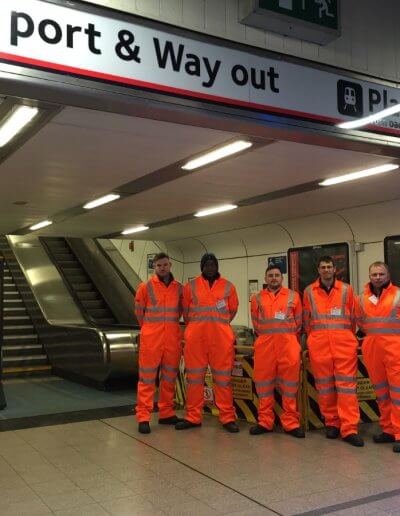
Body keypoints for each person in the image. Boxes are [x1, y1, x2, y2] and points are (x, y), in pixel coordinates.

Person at [175, 253, 239, 433]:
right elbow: (186, 313)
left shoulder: (228, 286)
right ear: (202, 267)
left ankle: (227, 417)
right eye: (207, 264)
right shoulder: (190, 286)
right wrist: (196, 327)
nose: (210, 267)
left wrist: (219, 325)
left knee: (223, 380)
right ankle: (193, 416)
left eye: (213, 264)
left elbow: (232, 310)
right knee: (194, 379)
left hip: (221, 340)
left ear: (217, 266)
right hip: (196, 340)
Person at [303, 256, 363, 447]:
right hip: (319, 344)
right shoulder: (308, 292)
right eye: (323, 267)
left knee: (347, 388)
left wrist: (346, 338)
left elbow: (354, 317)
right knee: (325, 386)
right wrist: (314, 339)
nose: (326, 270)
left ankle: (349, 428)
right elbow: (306, 320)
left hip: (344, 344)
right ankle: (332, 424)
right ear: (318, 270)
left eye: (329, 267)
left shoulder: (346, 290)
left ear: (335, 269)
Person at [250, 265, 304, 438]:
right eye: (270, 275)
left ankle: (291, 423)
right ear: (265, 279)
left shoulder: (293, 296)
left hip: (288, 345)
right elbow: (256, 323)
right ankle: (265, 422)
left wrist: (284, 336)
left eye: (277, 275)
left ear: (282, 278)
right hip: (265, 346)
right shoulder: (256, 298)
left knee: (289, 386)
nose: (274, 278)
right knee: (264, 385)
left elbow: (299, 322)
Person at [134, 252, 183, 434]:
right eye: (158, 266)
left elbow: (179, 312)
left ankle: (166, 413)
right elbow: (139, 312)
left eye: (165, 265)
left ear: (170, 265)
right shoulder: (145, 287)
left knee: (169, 378)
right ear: (154, 267)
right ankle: (143, 417)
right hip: (151, 339)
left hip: (172, 338)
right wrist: (149, 329)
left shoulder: (179, 288)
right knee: (147, 379)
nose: (162, 268)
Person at [355, 262, 400, 453]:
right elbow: (360, 322)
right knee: (381, 392)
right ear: (369, 275)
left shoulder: (398, 294)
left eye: (381, 273)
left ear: (388, 274)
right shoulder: (361, 298)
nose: (378, 277)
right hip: (372, 348)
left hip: (395, 347)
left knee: (398, 393)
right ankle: (388, 429)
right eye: (374, 274)